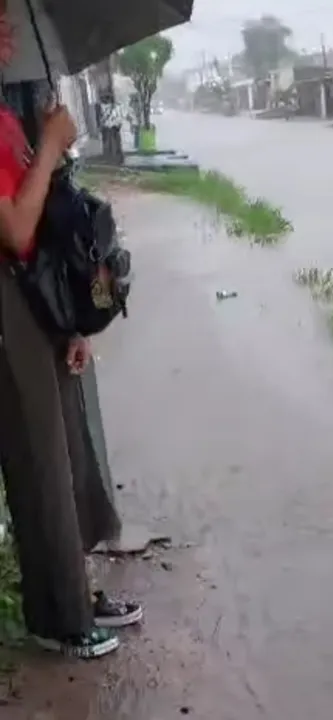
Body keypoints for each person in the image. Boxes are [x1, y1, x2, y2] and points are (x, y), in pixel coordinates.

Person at [0, 6, 142, 659]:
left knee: (67, 451)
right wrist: (51, 146)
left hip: (33, 298)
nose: (7, 34)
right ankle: (55, 618)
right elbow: (14, 229)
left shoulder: (4, 115)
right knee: (38, 463)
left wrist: (69, 322)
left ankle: (76, 590)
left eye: (8, 17)